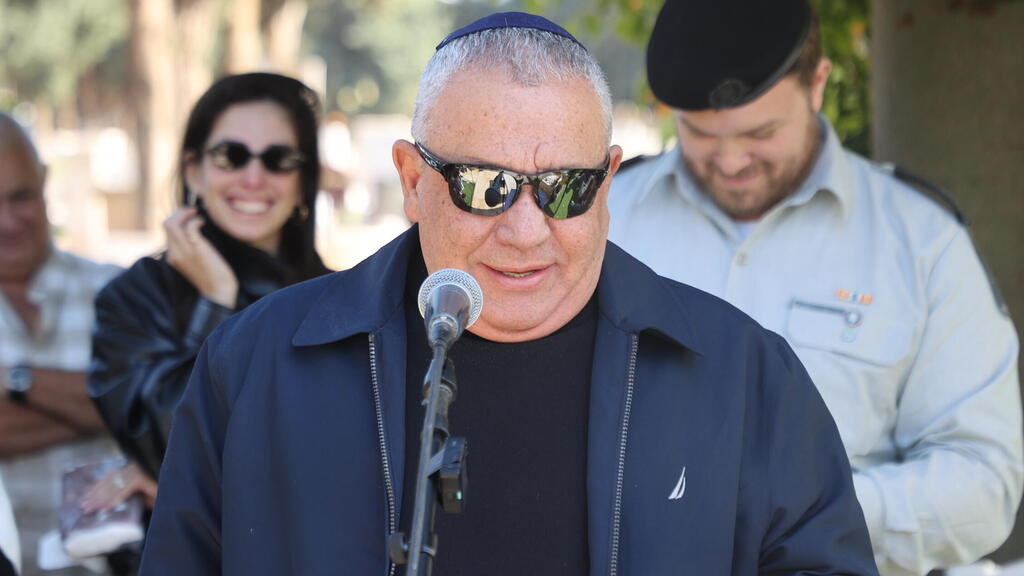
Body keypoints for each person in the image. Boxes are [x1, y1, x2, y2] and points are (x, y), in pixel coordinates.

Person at [138, 13, 878, 575]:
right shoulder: (256, 363)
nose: (526, 230)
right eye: (484, 187)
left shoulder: (742, 374)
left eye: (565, 190)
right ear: (412, 181)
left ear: (608, 182)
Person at [607, 1, 1023, 574]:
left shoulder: (922, 240)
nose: (730, 160)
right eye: (699, 132)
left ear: (818, 84)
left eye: (761, 131)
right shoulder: (607, 220)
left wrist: (804, 517)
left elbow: (984, 482)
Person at [88, 72, 332, 485]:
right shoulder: (132, 299)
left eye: (279, 159)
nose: (253, 178)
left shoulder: (342, 301)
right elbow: (176, 450)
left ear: (303, 181)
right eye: (229, 155)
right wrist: (217, 303)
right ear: (193, 171)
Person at [0, 112, 124, 575]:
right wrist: (106, 406)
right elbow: (131, 405)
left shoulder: (118, 292)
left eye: (21, 197)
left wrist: (17, 381)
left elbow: (158, 407)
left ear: (44, 183)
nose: (8, 221)